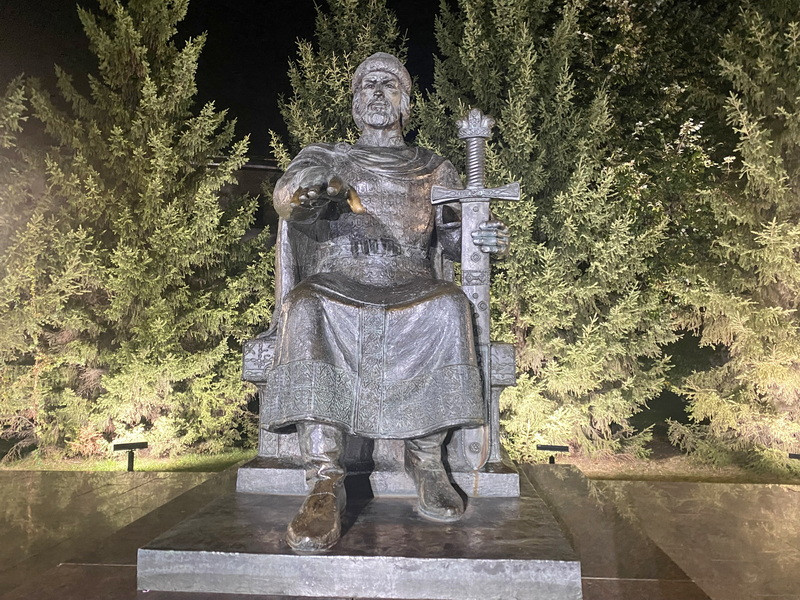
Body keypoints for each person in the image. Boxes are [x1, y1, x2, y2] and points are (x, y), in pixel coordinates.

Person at [264, 52, 509, 553]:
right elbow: (288, 197)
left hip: (411, 283)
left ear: (406, 104)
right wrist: (311, 186)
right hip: (337, 282)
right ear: (354, 102)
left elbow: (455, 237)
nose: (377, 92)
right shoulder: (327, 156)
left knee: (448, 306)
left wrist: (484, 237)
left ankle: (427, 460)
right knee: (306, 307)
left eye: (389, 85)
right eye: (367, 85)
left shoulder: (433, 168)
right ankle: (324, 478)